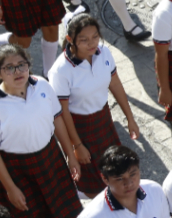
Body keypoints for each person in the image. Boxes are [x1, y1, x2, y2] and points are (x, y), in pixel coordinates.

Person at [0, 42, 83, 218]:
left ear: (29, 66)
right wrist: (10, 187)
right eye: (9, 68)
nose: (17, 72)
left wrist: (70, 154)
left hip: (49, 159)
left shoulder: (42, 86)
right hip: (16, 170)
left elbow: (57, 119)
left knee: (57, 216)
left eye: (21, 65)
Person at [50, 13, 140, 202]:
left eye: (95, 37)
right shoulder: (61, 70)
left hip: (104, 120)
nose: (91, 44)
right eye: (83, 40)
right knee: (95, 187)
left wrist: (130, 118)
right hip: (79, 127)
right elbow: (62, 112)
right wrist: (77, 146)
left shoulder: (103, 53)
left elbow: (115, 84)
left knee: (114, 172)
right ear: (70, 40)